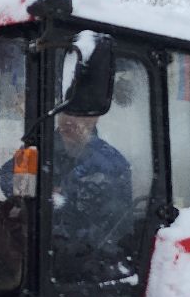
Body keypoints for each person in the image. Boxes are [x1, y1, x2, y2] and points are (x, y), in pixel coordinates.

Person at [49, 111, 133, 276]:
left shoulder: (109, 162)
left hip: (90, 256)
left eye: (77, 114)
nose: (69, 119)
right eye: (65, 113)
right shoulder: (44, 145)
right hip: (43, 248)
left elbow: (114, 222)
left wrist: (63, 195)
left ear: (94, 119)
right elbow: (10, 174)